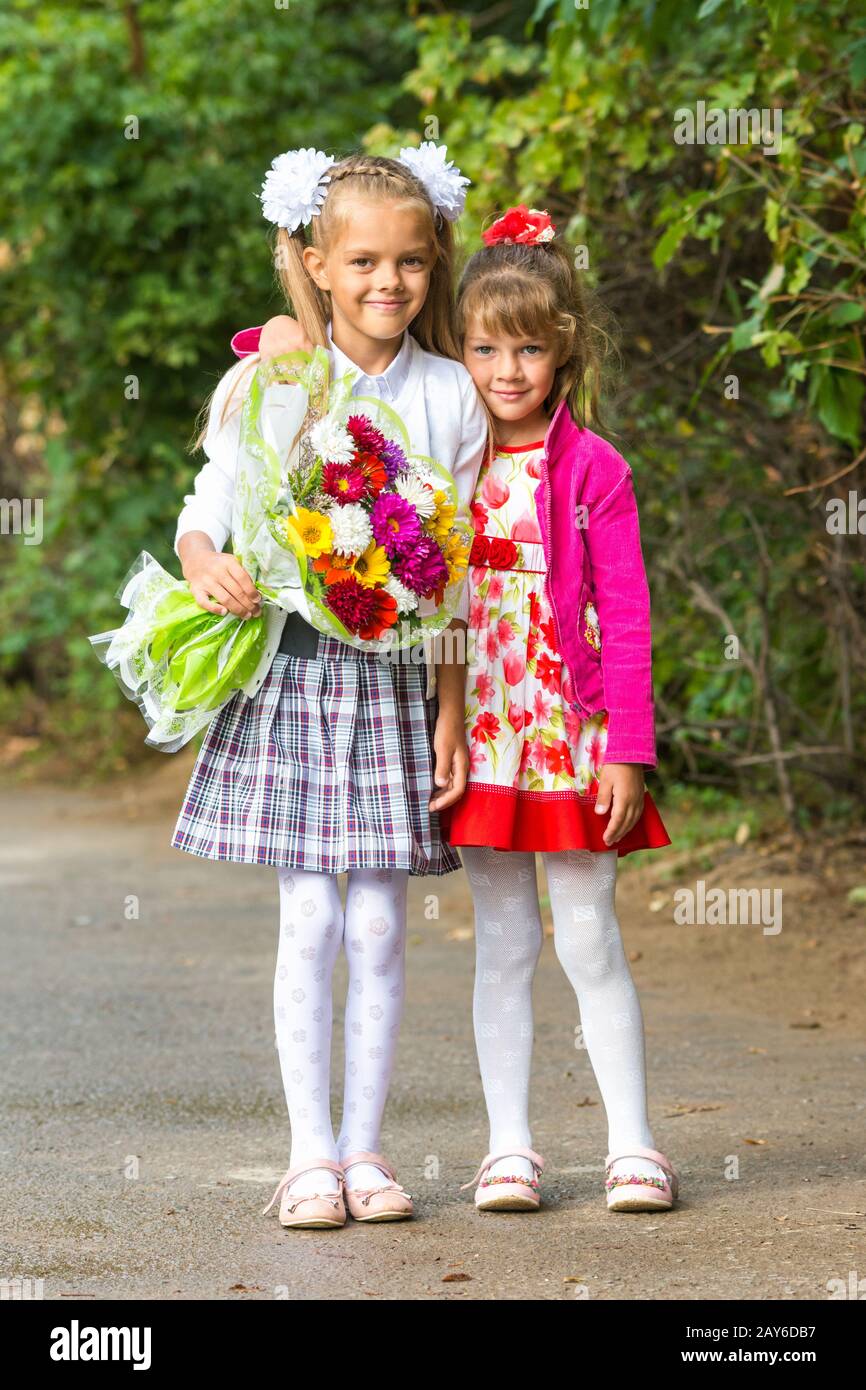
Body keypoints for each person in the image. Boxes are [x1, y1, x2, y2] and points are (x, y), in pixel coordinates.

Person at [173, 144, 488, 1229]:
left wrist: (451, 715)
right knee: (309, 919)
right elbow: (207, 501)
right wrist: (201, 555)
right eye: (359, 262)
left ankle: (367, 1151)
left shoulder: (450, 393)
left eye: (406, 262)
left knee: (382, 928)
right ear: (313, 261)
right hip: (298, 678)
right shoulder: (275, 381)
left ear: (432, 258)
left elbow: (455, 571)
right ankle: (308, 1155)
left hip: (401, 685)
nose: (384, 284)